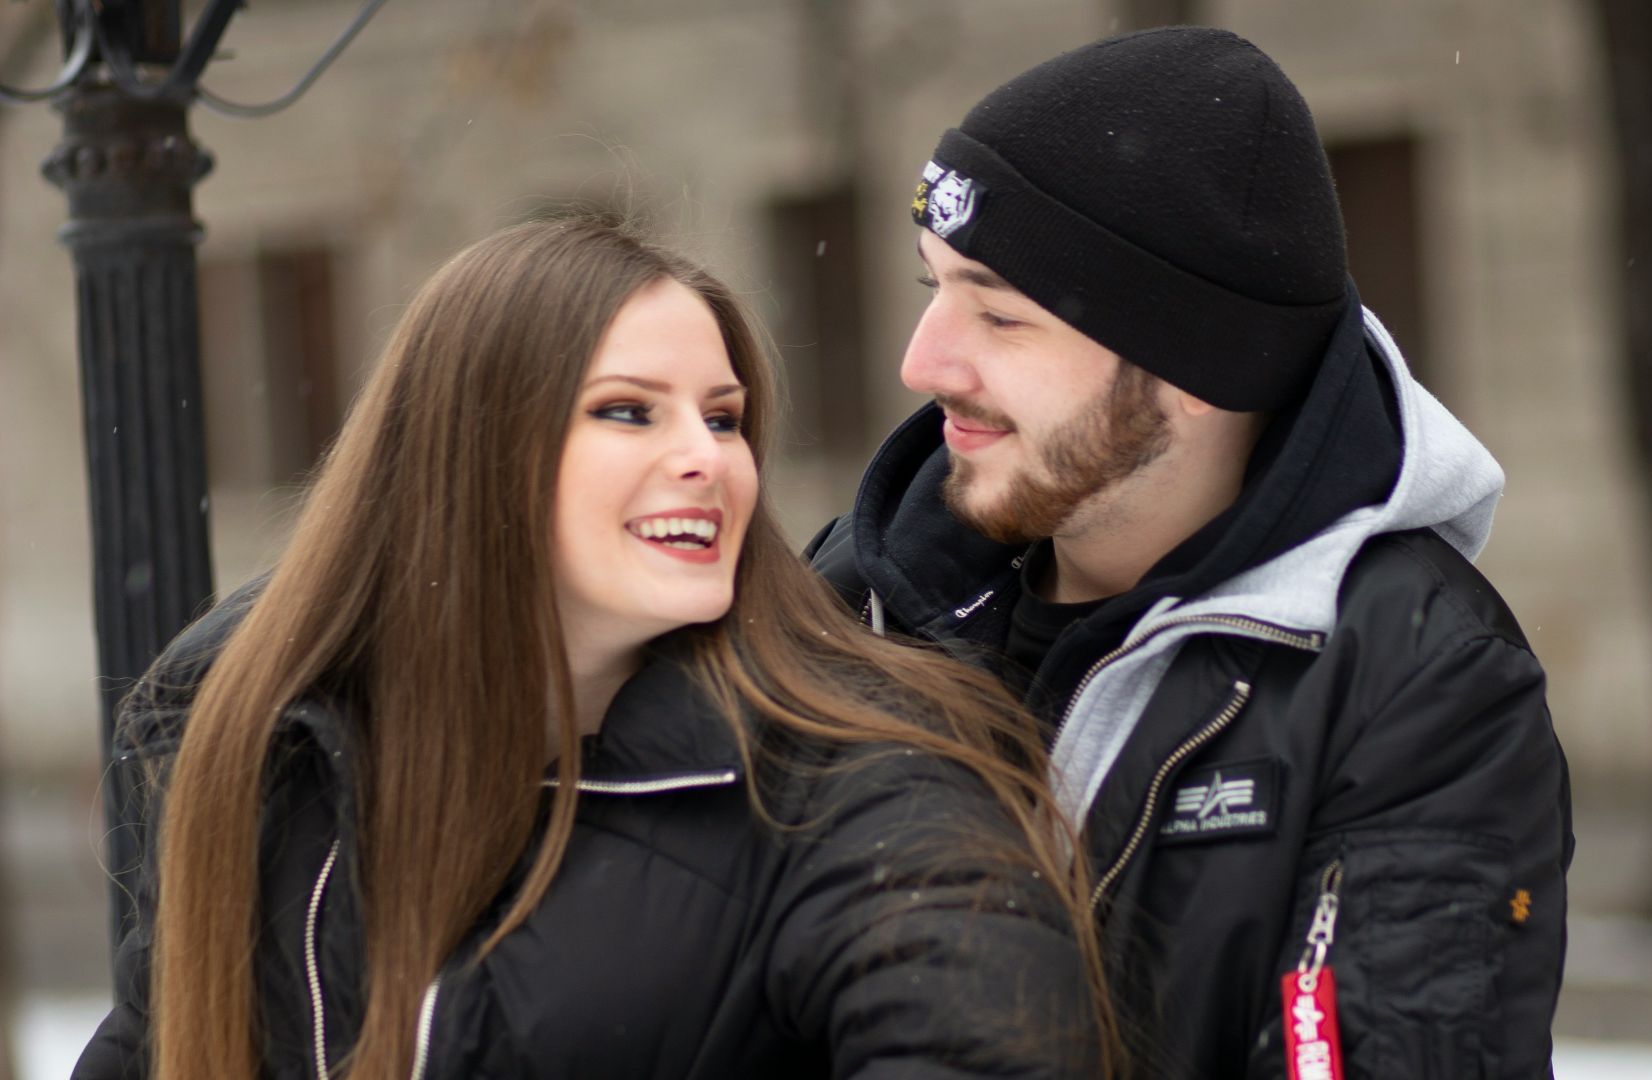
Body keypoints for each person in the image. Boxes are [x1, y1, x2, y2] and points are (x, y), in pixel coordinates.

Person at [75, 216, 1115, 1080]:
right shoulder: (271, 763)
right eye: (628, 412)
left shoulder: (862, 787)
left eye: (724, 419)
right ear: (468, 453)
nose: (705, 460)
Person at [806, 26, 1574, 1079]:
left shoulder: (1410, 682)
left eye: (998, 313)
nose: (921, 360)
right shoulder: (851, 602)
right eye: (932, 288)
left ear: (1192, 363)